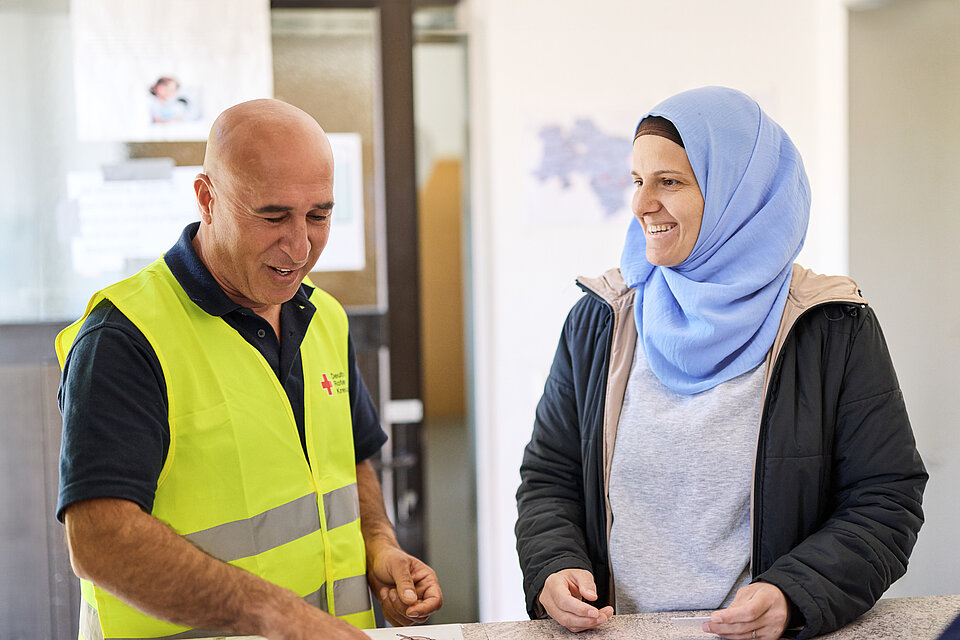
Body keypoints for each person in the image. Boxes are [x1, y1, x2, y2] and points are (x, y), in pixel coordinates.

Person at [515, 86, 927, 640]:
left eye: (671, 182)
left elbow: (885, 499)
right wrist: (554, 565)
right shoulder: (600, 320)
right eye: (638, 181)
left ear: (741, 193)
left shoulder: (831, 326)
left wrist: (794, 593)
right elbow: (550, 478)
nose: (640, 204)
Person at [56, 99, 442, 640]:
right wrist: (278, 615)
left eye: (319, 215)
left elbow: (349, 461)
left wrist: (379, 544)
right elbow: (101, 542)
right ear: (206, 198)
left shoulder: (324, 316)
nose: (300, 245)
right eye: (273, 216)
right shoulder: (123, 338)